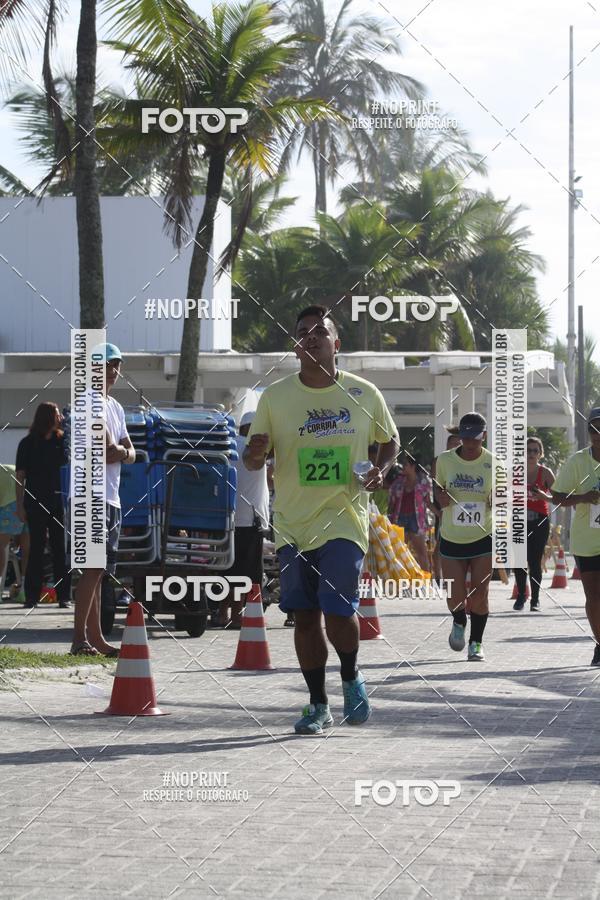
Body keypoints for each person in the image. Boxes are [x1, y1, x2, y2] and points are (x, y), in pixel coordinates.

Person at [244, 305, 399, 735]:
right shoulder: (275, 397)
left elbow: (389, 442)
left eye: (319, 331)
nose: (310, 337)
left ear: (337, 343)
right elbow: (253, 459)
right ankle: (317, 704)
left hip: (344, 518)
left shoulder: (364, 394)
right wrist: (256, 451)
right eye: (302, 332)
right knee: (305, 617)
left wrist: (382, 470)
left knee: (337, 608)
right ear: (295, 345)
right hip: (293, 523)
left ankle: (350, 676)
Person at [71, 343, 135, 656]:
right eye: (107, 364)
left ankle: (94, 639)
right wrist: (123, 452)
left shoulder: (116, 407)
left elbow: (128, 451)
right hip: (88, 494)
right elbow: (113, 449)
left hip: (110, 496)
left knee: (99, 571)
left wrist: (123, 452)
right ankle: (79, 639)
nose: (112, 371)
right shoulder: (88, 402)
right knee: (92, 568)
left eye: (116, 364)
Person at [434, 412, 494, 661]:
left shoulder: (495, 462)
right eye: (465, 438)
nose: (469, 444)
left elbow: (506, 495)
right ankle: (459, 620)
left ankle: (476, 643)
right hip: (452, 537)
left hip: (484, 537)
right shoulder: (444, 461)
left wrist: (498, 499)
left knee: (480, 595)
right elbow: (437, 492)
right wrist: (441, 498)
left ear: (484, 437)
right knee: (455, 597)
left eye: (475, 439)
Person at [551, 407, 600, 666]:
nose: (599, 433)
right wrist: (584, 497)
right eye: (594, 428)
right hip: (586, 541)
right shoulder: (578, 461)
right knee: (593, 596)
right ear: (589, 432)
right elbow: (557, 497)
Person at [217, 410, 270, 629]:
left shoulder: (227, 445)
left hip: (225, 518)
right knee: (245, 571)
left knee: (225, 568)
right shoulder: (253, 449)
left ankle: (221, 613)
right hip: (250, 519)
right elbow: (256, 463)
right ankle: (238, 614)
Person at [15, 403, 71, 609]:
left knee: (59, 549)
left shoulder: (62, 442)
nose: (60, 419)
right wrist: (19, 505)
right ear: (47, 417)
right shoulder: (27, 444)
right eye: (57, 415)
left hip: (58, 502)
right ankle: (31, 596)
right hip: (35, 502)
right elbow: (20, 476)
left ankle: (64, 595)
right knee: (35, 549)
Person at [513, 436, 555, 611]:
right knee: (518, 560)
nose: (531, 454)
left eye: (534, 451)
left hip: (539, 520)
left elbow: (559, 497)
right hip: (518, 519)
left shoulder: (545, 473)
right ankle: (521, 596)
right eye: (527, 450)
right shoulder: (514, 471)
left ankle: (535, 600)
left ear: (540, 454)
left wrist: (544, 496)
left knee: (534, 560)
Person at [388, 452, 432, 573]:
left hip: (416, 520)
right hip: (400, 518)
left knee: (421, 552)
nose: (403, 467)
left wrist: (436, 515)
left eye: (406, 464)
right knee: (399, 553)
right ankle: (402, 581)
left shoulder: (423, 481)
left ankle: (426, 582)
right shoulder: (398, 482)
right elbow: (391, 502)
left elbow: (428, 501)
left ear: (413, 466)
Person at [430, 429, 462, 579]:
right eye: (453, 444)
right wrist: (440, 510)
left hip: (463, 511)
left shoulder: (465, 461)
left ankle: (458, 577)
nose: (455, 446)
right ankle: (438, 578)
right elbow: (437, 486)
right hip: (444, 510)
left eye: (458, 444)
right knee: (440, 547)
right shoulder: (440, 460)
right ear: (447, 446)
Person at [0, 464, 29, 602]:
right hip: (28, 498)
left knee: (1, 546)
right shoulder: (8, 467)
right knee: (26, 548)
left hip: (11, 502)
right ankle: (25, 591)